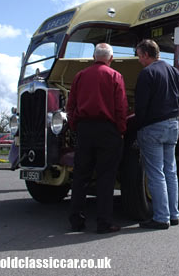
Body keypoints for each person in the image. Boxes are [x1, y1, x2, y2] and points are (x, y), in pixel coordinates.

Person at [66, 43, 128, 233]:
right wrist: (120, 130)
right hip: (107, 131)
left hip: (84, 129)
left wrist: (76, 125)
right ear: (110, 59)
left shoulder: (80, 76)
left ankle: (76, 220)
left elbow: (71, 105)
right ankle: (104, 222)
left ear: (94, 57)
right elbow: (121, 107)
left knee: (80, 176)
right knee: (105, 178)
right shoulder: (115, 76)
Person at [135, 39, 179, 230]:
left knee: (155, 173)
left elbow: (140, 107)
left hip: (153, 127)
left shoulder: (147, 73)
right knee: (170, 172)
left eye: (139, 55)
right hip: (172, 125)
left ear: (145, 55)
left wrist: (138, 127)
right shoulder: (173, 70)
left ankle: (161, 217)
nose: (138, 59)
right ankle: (173, 214)